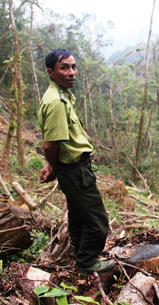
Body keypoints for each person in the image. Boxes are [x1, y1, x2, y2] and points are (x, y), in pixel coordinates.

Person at [38, 48, 114, 273]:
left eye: (73, 67)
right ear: (51, 72)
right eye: (64, 68)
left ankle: (80, 252)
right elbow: (50, 144)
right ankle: (87, 262)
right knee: (98, 221)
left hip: (74, 168)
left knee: (79, 214)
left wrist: (54, 164)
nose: (71, 72)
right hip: (73, 169)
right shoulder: (56, 103)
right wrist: (53, 165)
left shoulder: (61, 96)